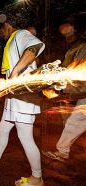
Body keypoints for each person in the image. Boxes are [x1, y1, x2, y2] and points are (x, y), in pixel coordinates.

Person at [0, 12, 45, 186]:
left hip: (23, 95)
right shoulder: (13, 39)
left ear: (7, 25)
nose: (1, 33)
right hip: (15, 94)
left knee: (25, 135)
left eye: (2, 29)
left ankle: (37, 178)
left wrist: (15, 72)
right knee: (3, 127)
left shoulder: (20, 34)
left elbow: (37, 46)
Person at [42, 23, 86, 162]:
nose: (67, 36)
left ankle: (63, 151)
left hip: (81, 92)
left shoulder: (83, 49)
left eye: (69, 32)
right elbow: (66, 71)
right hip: (77, 92)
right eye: (64, 34)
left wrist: (62, 89)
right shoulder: (71, 51)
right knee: (70, 120)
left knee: (75, 121)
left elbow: (81, 80)